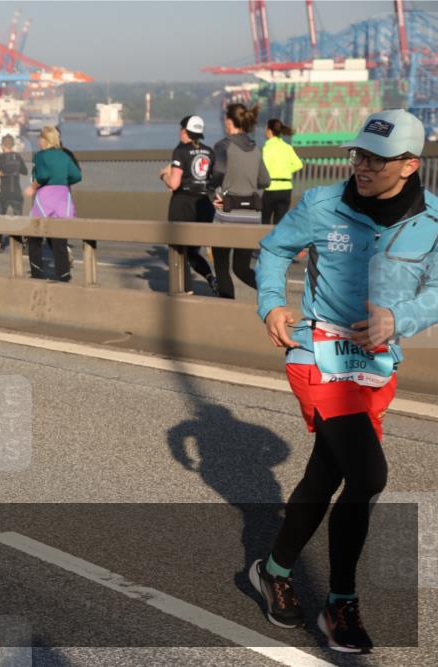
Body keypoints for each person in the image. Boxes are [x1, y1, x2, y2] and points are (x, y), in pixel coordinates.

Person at [251, 109, 436, 653]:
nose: (362, 166)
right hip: (316, 354)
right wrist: (270, 305)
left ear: (409, 165)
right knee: (369, 474)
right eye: (358, 155)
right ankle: (340, 604)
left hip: (376, 367)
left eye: (376, 160)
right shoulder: (321, 205)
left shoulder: (430, 223)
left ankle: (275, 568)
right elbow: (273, 249)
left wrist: (399, 320)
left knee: (327, 474)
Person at [209, 103, 271, 298]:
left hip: (227, 214)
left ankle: (227, 308)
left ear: (229, 121)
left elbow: (218, 171)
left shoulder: (223, 145)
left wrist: (211, 192)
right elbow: (265, 180)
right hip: (252, 216)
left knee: (221, 267)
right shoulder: (255, 148)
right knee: (241, 268)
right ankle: (271, 295)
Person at [159, 115, 219, 295]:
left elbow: (174, 183)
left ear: (185, 130)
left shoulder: (181, 151)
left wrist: (163, 174)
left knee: (179, 249)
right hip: (204, 205)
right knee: (193, 250)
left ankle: (184, 289)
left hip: (184, 203)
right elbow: (213, 179)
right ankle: (210, 277)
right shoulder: (209, 151)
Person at [25, 126, 81, 282]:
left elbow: (43, 175)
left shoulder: (40, 156)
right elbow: (77, 176)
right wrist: (62, 181)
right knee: (59, 238)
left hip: (46, 196)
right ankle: (64, 274)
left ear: (44, 140)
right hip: (63, 196)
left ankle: (37, 272)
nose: (38, 141)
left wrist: (32, 187)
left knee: (34, 237)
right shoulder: (64, 156)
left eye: (39, 138)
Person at [262, 119, 304, 226]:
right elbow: (299, 164)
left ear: (269, 131)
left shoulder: (267, 148)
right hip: (286, 189)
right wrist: (285, 171)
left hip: (271, 188)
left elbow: (263, 167)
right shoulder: (287, 147)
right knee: (279, 224)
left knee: (265, 222)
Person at [0, 134, 27, 252]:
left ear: (3, 145)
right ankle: (21, 244)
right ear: (12, 145)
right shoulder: (18, 156)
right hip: (16, 191)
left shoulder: (2, 157)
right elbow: (25, 171)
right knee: (18, 218)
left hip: (5, 192)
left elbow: (4, 170)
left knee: (0, 218)